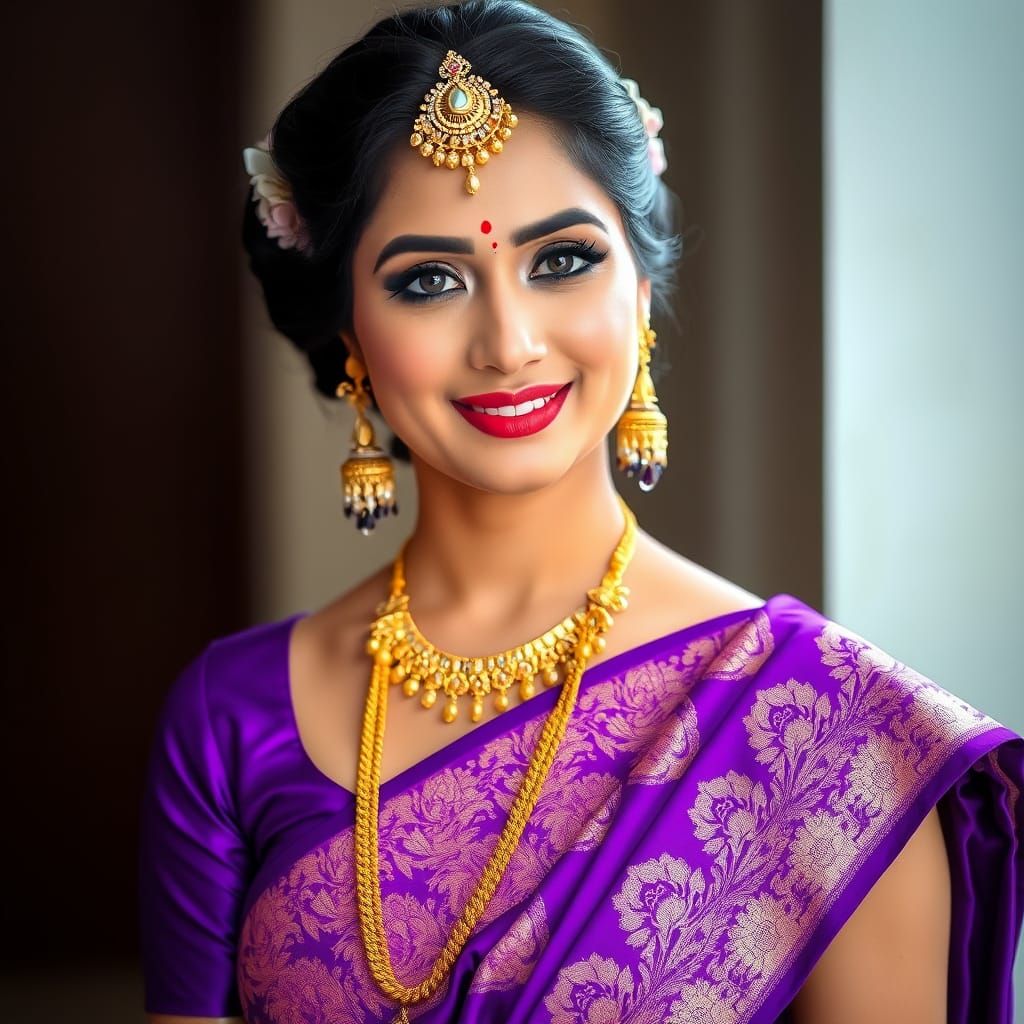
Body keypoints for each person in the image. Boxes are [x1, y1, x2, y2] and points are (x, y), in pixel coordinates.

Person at [138, 1, 1024, 1022]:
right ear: (349, 333)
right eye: (428, 280)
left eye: (561, 259)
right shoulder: (230, 719)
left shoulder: (834, 740)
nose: (508, 341)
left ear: (640, 291)